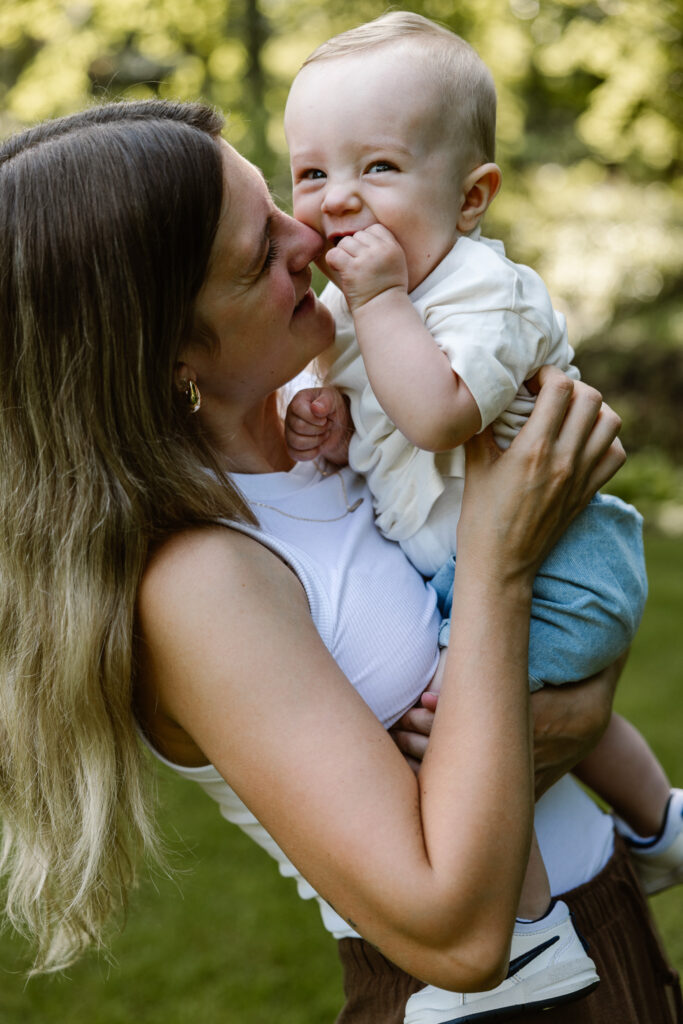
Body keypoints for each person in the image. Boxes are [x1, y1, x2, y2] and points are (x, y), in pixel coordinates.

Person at [0, 99, 679, 1024]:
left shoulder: (341, 421)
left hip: (607, 928)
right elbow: (458, 933)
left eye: (279, 202)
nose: (314, 234)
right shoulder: (201, 576)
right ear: (167, 358)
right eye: (257, 255)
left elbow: (564, 698)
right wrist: (499, 565)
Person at [283, 15, 683, 1018]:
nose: (337, 199)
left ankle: (526, 932)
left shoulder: (482, 295)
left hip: (557, 556)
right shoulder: (361, 309)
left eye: (376, 167)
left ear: (469, 198)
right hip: (473, 553)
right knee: (554, 721)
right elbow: (376, 434)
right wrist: (328, 424)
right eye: (309, 174)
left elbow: (434, 413)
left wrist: (373, 306)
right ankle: (658, 823)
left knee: (464, 723)